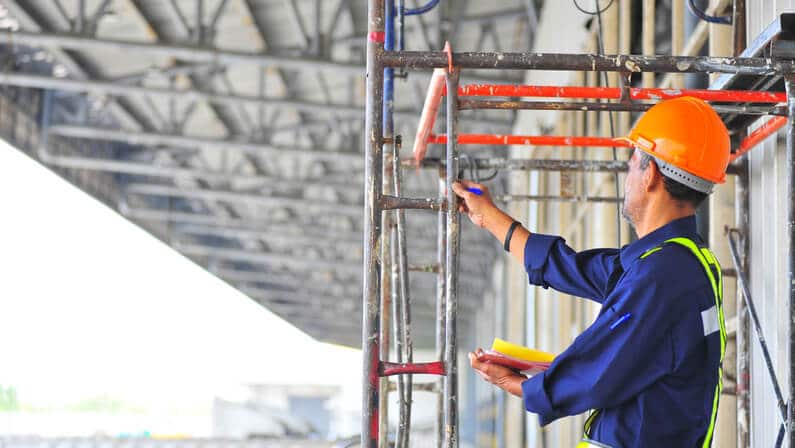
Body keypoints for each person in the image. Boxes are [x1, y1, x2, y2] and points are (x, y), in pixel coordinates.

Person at [452, 96, 730, 448]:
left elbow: (597, 373)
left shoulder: (662, 276)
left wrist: (519, 385)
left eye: (632, 163)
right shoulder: (678, 262)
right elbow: (569, 267)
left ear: (651, 175)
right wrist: (488, 216)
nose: (626, 176)